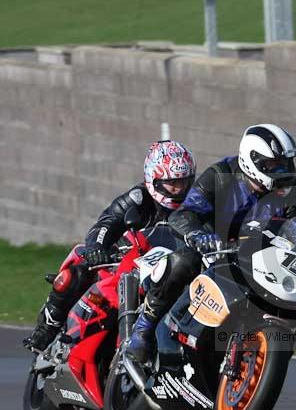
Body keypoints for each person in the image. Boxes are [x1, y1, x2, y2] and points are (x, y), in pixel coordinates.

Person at [126, 124, 296, 363]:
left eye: (286, 164)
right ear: (253, 161)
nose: (283, 171)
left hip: (258, 260)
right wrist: (200, 236)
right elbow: (184, 214)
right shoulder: (221, 174)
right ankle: (143, 329)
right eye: (274, 165)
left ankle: (267, 362)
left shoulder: (293, 190)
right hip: (212, 251)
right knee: (183, 261)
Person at [22, 140, 196, 352]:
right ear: (155, 180)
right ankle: (46, 329)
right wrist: (97, 247)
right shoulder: (138, 199)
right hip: (122, 263)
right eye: (173, 184)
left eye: (184, 183)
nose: (179, 189)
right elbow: (106, 223)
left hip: (164, 271)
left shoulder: (196, 205)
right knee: (75, 271)